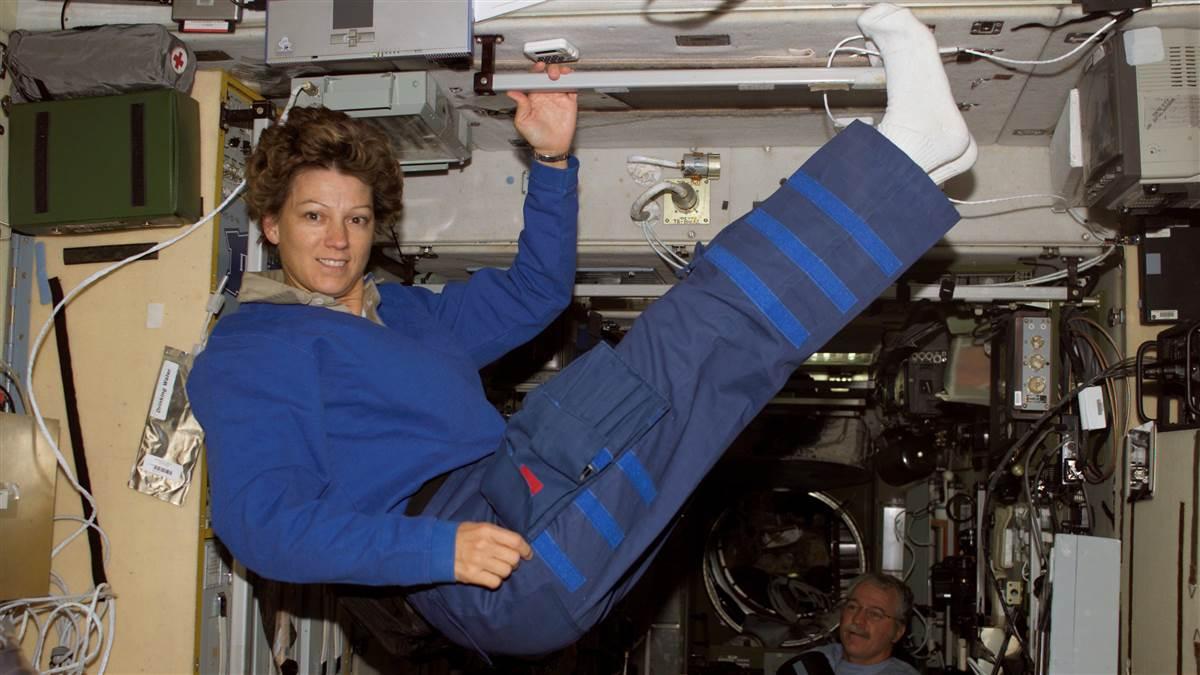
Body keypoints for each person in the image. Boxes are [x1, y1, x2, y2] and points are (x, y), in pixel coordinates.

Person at [187, 3, 975, 658]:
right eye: (313, 216)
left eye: (356, 218)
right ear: (269, 224)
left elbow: (535, 294)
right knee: (692, 341)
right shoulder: (253, 343)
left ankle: (917, 158)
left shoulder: (406, 314)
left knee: (704, 360)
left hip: (513, 483)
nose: (337, 239)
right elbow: (261, 525)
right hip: (480, 556)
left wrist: (554, 166)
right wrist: (439, 550)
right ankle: (910, 149)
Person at [780, 573, 920, 675]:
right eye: (852, 607)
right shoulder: (815, 659)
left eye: (875, 614)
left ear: (897, 632)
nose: (858, 619)